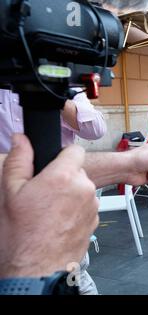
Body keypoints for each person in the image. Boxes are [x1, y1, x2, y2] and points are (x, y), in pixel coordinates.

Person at [0, 87, 107, 294]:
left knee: (73, 276)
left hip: (60, 203)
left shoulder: (66, 84)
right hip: (9, 205)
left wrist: (53, 95)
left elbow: (96, 129)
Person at [0, 88, 107, 153]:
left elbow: (96, 131)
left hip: (59, 175)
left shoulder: (65, 79)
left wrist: (54, 96)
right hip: (5, 180)